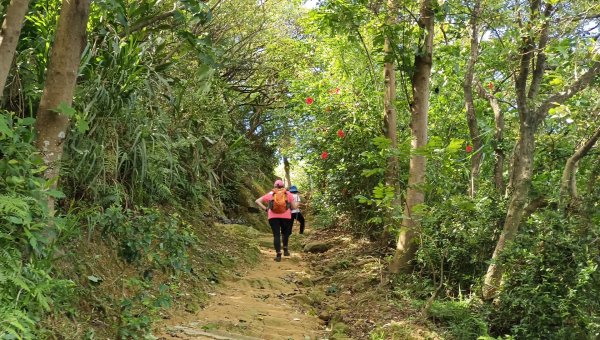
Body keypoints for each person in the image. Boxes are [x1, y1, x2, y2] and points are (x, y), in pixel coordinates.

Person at [255, 180, 297, 262]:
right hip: (286, 217)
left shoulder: (271, 193)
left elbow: (257, 201)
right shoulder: (288, 194)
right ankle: (285, 250)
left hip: (273, 217)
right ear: (283, 186)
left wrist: (266, 209)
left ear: (275, 186)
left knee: (276, 235)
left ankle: (278, 255)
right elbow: (294, 207)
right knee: (285, 233)